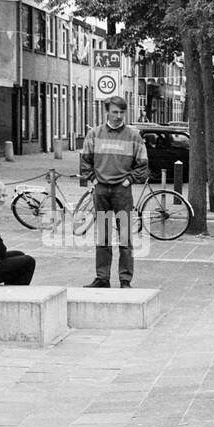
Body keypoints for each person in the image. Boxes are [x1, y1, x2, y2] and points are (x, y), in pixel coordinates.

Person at [80, 95, 148, 288]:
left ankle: (125, 280)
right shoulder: (94, 134)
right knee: (103, 236)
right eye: (115, 112)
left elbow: (143, 164)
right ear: (107, 111)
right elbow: (85, 161)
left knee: (125, 237)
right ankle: (102, 278)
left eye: (122, 112)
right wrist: (93, 180)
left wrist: (128, 181)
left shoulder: (133, 135)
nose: (119, 116)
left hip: (122, 192)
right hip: (101, 190)